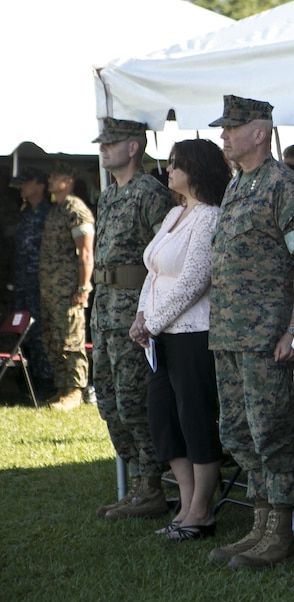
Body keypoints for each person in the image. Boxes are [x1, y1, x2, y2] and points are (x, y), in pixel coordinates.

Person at [203, 95, 294, 570]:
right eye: (223, 128)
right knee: (236, 432)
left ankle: (281, 531)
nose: (224, 135)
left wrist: (293, 329)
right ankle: (259, 522)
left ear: (260, 132)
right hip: (231, 333)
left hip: (266, 336)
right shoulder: (238, 187)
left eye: (232, 128)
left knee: (272, 433)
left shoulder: (283, 187)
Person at [130, 139, 231, 540]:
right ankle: (186, 505)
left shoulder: (208, 217)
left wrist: (151, 321)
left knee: (195, 419)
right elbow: (154, 271)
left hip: (192, 334)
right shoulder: (175, 213)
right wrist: (142, 315)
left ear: (196, 169)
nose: (167, 170)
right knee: (164, 421)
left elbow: (193, 281)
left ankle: (201, 512)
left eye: (175, 164)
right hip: (158, 335)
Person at [91, 118, 175, 520]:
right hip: (103, 306)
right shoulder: (108, 196)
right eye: (102, 144)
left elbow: (165, 257)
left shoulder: (151, 194)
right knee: (107, 399)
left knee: (132, 401)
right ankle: (139, 482)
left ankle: (151, 486)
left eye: (111, 143)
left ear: (133, 147)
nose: (103, 150)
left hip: (132, 310)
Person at [38, 162, 94, 412]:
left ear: (69, 180)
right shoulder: (56, 210)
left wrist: (83, 288)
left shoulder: (75, 209)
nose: (50, 179)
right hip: (51, 291)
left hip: (69, 290)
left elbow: (85, 252)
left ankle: (74, 391)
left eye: (55, 175)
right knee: (53, 340)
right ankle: (62, 388)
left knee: (72, 341)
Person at [10, 168, 55, 399]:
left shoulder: (51, 214)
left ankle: (46, 382)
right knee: (25, 334)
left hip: (42, 286)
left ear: (40, 185)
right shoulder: (25, 215)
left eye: (26, 183)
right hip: (23, 286)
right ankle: (31, 383)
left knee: (42, 334)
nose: (21, 188)